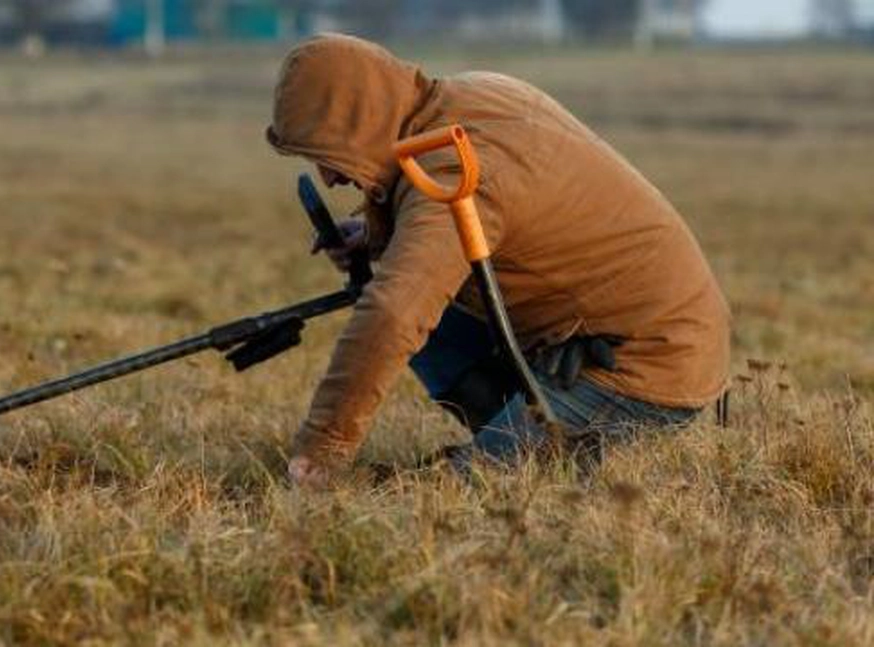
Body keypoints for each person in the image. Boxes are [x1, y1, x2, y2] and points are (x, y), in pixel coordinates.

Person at [266, 34, 730, 487]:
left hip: (644, 367)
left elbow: (393, 314)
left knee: (453, 495)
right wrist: (374, 235)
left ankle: (524, 450)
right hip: (597, 338)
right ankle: (514, 429)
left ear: (361, 123)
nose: (327, 178)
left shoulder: (453, 172)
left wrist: (322, 448)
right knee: (408, 293)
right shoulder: (470, 95)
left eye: (329, 155)